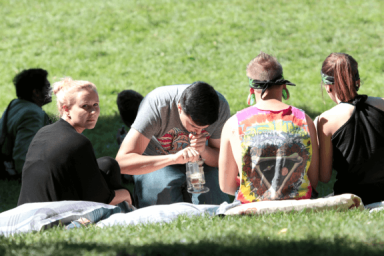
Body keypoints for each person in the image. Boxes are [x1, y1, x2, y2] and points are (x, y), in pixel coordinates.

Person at [219, 52, 319, 203]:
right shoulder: (304, 120)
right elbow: (314, 179)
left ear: (252, 90)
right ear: (283, 85)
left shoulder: (234, 124)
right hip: (299, 204)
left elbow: (226, 186)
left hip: (252, 206)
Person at [18, 78, 132, 207]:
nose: (93, 111)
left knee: (107, 165)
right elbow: (99, 199)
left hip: (27, 209)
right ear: (66, 109)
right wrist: (127, 194)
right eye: (85, 106)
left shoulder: (42, 133)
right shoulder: (78, 142)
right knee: (111, 171)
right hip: (55, 215)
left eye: (96, 104)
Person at [116, 82, 231, 208]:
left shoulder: (221, 107)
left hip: (199, 164)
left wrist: (204, 150)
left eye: (204, 128)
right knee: (162, 213)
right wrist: (173, 158)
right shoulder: (157, 104)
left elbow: (221, 159)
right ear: (180, 107)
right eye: (193, 125)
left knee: (217, 208)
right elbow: (122, 163)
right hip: (157, 160)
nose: (198, 132)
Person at [317, 53, 384, 205]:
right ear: (357, 81)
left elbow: (325, 176)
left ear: (328, 87)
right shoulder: (382, 105)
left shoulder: (326, 121)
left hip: (352, 198)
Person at [0, 68, 52, 180]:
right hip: (11, 170)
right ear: (36, 92)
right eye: (47, 87)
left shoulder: (16, 104)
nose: (52, 90)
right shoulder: (32, 114)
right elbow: (23, 154)